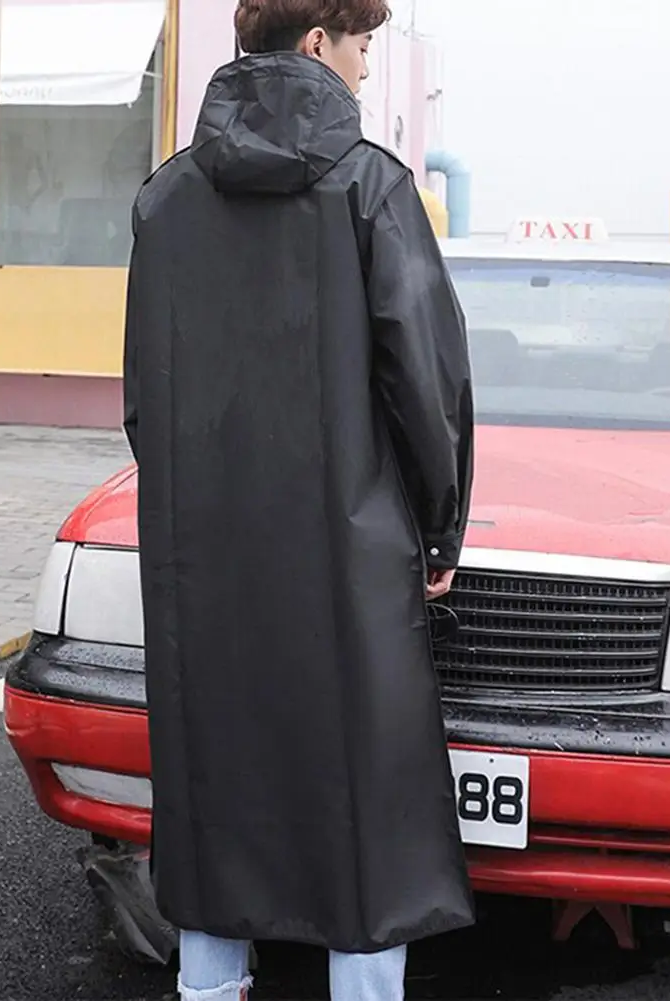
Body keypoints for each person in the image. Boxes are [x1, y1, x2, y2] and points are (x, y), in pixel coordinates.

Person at [122, 1, 475, 997]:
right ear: (317, 43)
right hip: (348, 552)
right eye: (360, 46)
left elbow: (145, 398)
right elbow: (424, 384)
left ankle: (207, 984)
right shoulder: (370, 187)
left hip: (201, 549)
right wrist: (438, 527)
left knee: (213, 769)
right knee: (361, 786)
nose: (363, 67)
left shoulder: (165, 199)